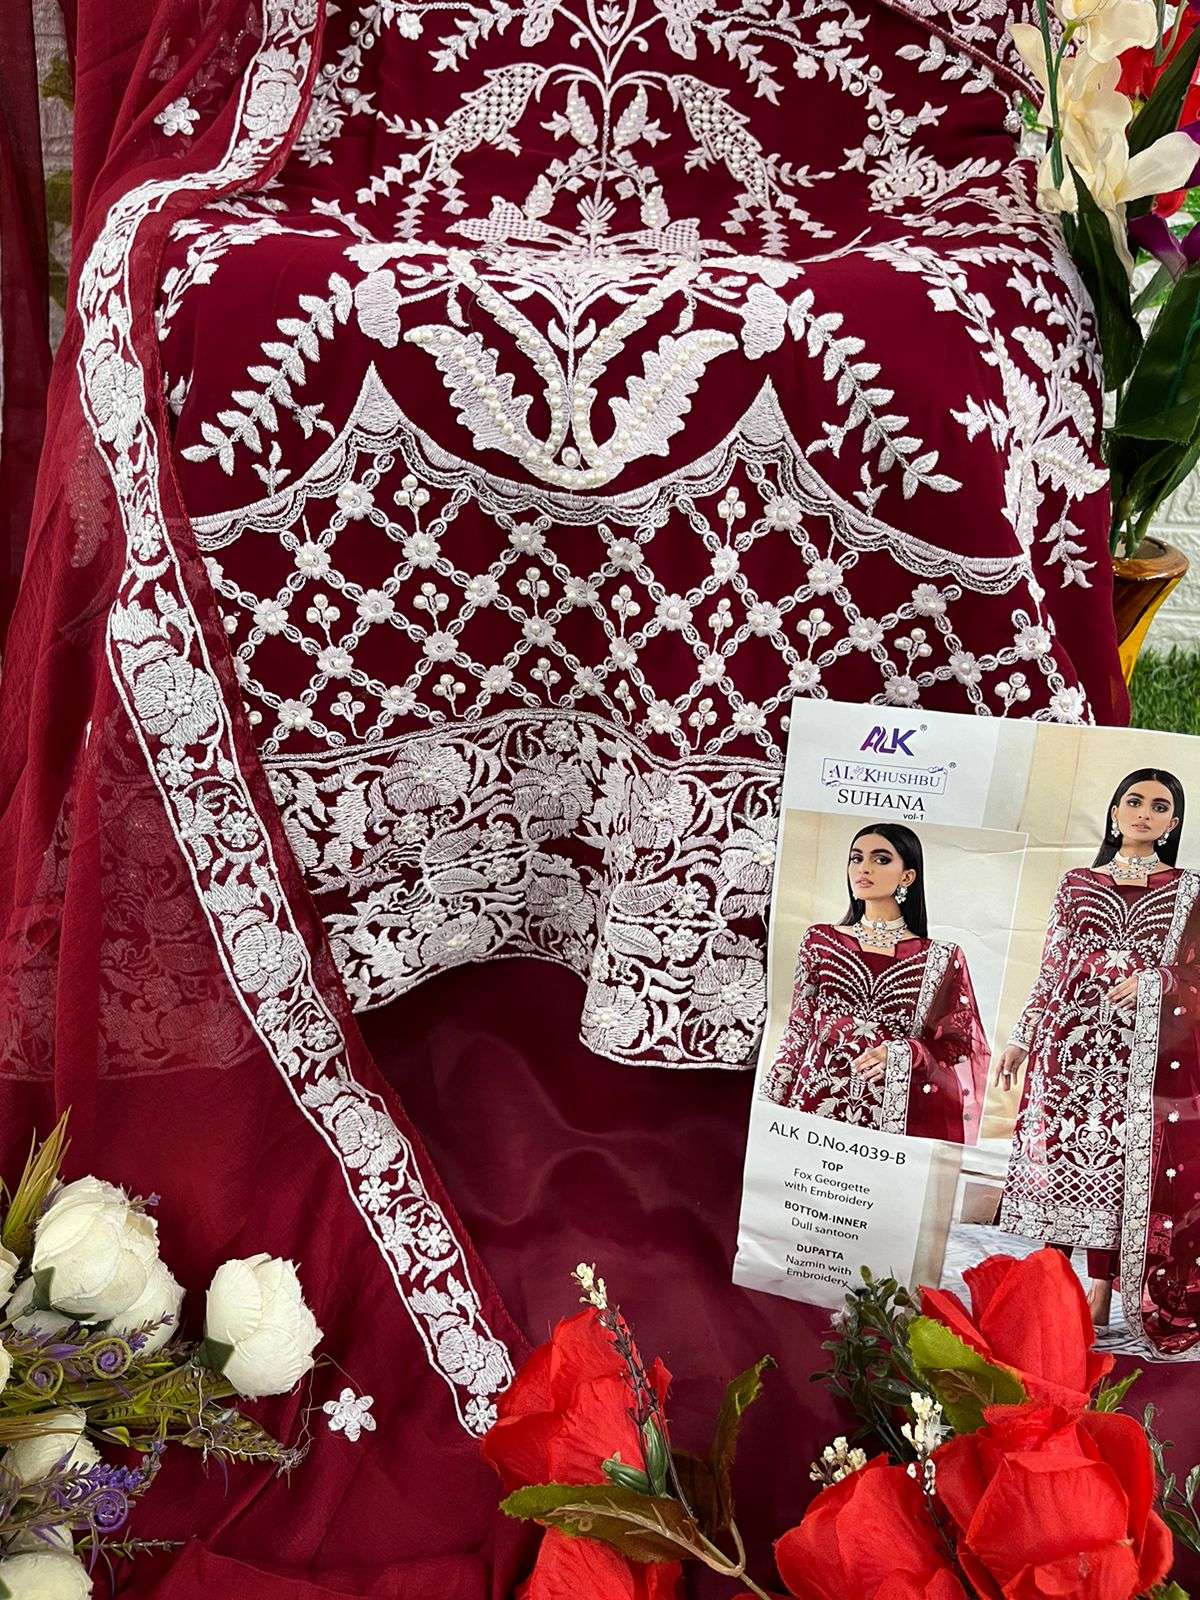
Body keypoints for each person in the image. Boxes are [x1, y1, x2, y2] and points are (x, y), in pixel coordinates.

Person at [997, 770, 1200, 1336]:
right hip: (1065, 1047)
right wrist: (1022, 1037)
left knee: (1121, 1172)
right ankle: (1051, 1287)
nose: (1144, 813)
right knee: (1059, 1166)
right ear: (1114, 813)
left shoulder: (1189, 891)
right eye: (1133, 801)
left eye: (1159, 806)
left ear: (1172, 823)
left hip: (1141, 1056)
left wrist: (1158, 980)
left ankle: (1101, 1293)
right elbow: (1052, 965)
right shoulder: (1078, 882)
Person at [762, 824, 988, 1142]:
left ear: (907, 877)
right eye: (856, 858)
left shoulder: (940, 958)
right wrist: (771, 1099)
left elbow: (959, 1045)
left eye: (880, 859)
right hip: (812, 1102)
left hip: (891, 1118)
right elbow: (799, 1028)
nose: (863, 868)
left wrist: (904, 1053)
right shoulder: (820, 940)